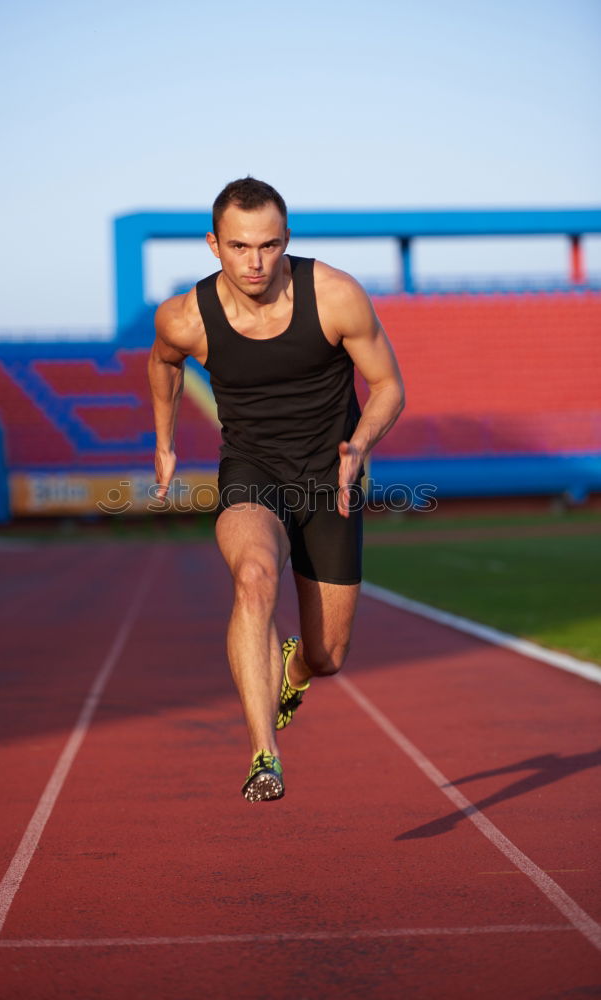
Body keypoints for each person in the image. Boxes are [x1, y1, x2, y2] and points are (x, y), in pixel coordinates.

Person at [148, 177, 404, 803]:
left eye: (269, 245)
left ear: (287, 240)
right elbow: (163, 365)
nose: (255, 262)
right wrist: (165, 442)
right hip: (252, 471)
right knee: (255, 575)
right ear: (214, 245)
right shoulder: (185, 317)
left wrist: (360, 446)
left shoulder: (336, 296)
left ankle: (293, 671)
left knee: (328, 655)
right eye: (239, 246)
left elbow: (390, 387)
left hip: (331, 480)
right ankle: (265, 753)